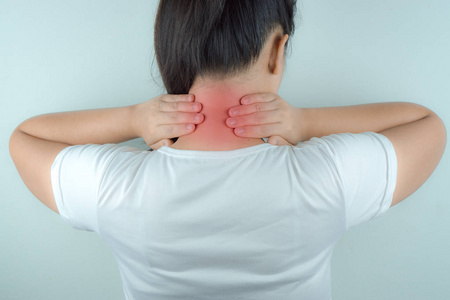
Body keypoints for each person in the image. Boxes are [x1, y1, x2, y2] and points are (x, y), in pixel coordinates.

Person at [9, 0, 446, 299]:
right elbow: (425, 125)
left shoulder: (117, 189)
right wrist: (305, 123)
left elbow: (26, 139)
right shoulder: (326, 178)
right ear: (278, 51)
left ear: (169, 53)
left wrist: (131, 119)